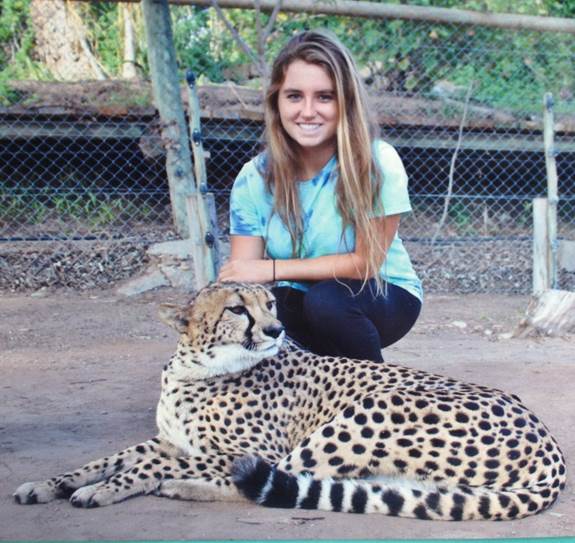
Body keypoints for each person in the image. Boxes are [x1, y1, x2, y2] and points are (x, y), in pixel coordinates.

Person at [218, 29, 422, 362]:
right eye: (295, 96)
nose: (308, 111)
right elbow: (245, 274)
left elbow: (365, 264)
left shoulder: (378, 162)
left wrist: (271, 268)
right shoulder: (252, 178)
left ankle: (376, 396)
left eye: (325, 97)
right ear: (277, 101)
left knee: (326, 301)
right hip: (300, 296)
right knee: (266, 307)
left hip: (383, 294)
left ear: (345, 102)